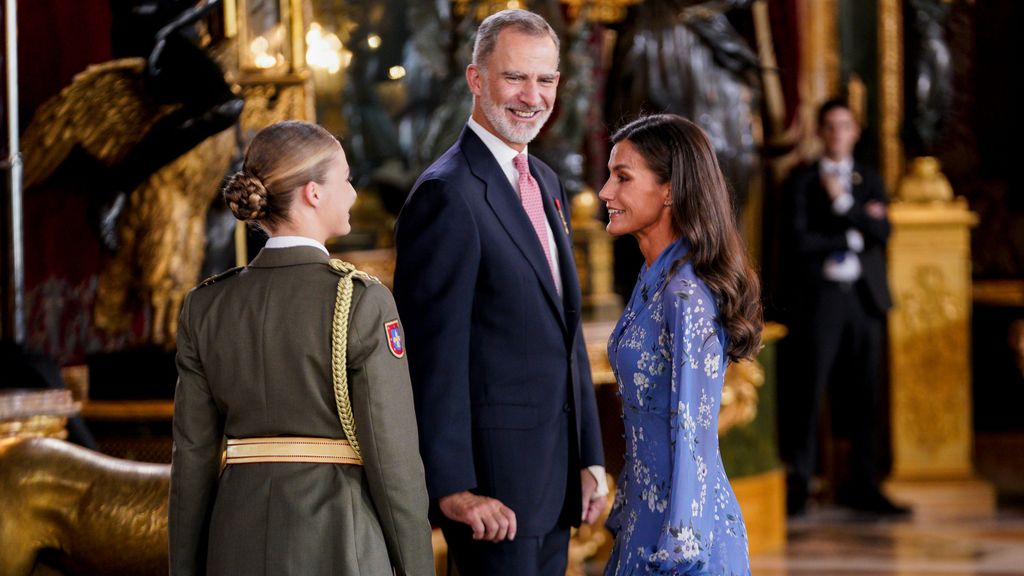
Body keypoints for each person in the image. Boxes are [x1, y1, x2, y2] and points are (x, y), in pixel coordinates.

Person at [169, 120, 435, 576]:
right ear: (313, 193)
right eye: (345, 180)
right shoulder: (361, 300)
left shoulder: (205, 305)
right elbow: (394, 463)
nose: (353, 194)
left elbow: (191, 462)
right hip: (340, 541)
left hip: (233, 544)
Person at [393, 9, 606, 576]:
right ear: (476, 79)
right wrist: (454, 488)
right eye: (515, 77)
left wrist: (589, 460)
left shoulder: (548, 182)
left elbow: (566, 332)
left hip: (556, 485)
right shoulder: (447, 194)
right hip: (493, 497)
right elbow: (432, 357)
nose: (532, 96)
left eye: (547, 79)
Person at [598, 114, 761, 575]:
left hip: (684, 535)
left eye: (623, 178)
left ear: (669, 190)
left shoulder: (686, 295)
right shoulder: (653, 276)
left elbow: (693, 430)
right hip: (645, 521)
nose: (606, 192)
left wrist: (682, 544)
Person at [779, 99, 909, 517]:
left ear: (856, 131)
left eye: (845, 126)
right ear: (820, 132)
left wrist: (842, 207)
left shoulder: (869, 179)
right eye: (830, 126)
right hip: (821, 301)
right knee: (809, 390)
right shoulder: (801, 181)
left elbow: (883, 230)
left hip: (864, 300)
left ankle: (864, 484)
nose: (838, 133)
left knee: (865, 393)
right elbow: (799, 242)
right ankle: (799, 483)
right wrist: (852, 233)